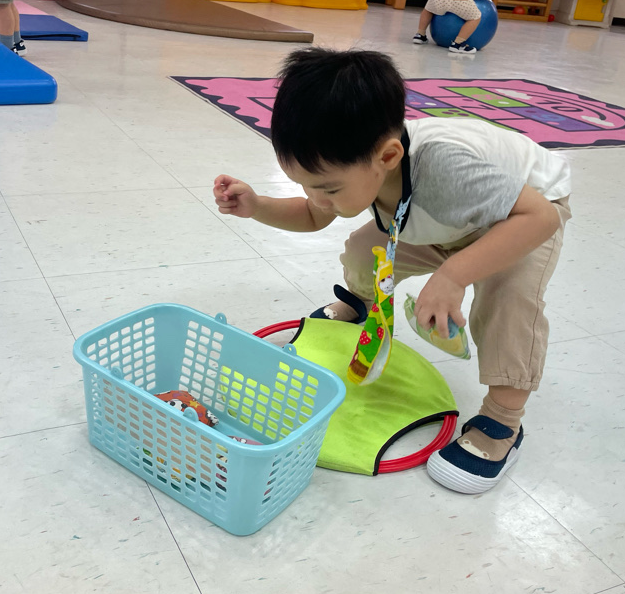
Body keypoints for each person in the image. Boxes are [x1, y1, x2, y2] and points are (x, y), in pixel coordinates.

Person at [213, 48, 572, 495]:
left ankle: (503, 420)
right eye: (305, 184)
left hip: (519, 218)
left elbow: (540, 218)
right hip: (442, 218)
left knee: (508, 299)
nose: (317, 198)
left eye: (328, 188)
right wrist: (257, 206)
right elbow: (312, 214)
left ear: (387, 158)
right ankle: (361, 305)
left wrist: (453, 275)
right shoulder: (358, 162)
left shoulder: (446, 170)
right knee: (364, 250)